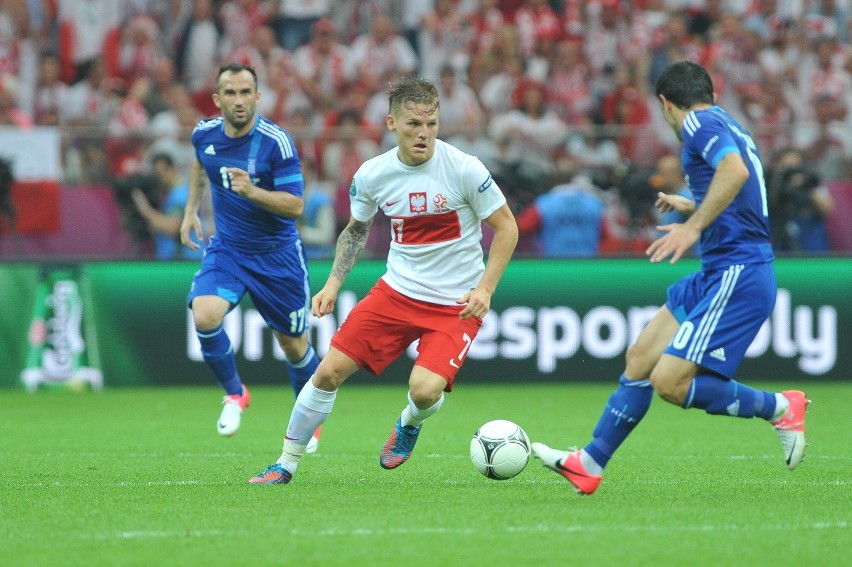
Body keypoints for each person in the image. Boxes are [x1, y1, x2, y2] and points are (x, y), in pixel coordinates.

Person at [531, 61, 810, 495]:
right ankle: (588, 464)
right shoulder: (725, 120)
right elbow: (745, 189)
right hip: (719, 269)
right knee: (641, 357)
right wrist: (689, 205)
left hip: (739, 271)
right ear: (711, 94)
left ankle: (779, 406)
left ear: (665, 103)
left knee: (669, 382)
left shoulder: (698, 122)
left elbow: (734, 173)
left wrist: (693, 226)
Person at [249, 74, 519, 484]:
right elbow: (356, 231)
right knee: (326, 373)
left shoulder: (465, 169)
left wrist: (485, 289)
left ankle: (410, 422)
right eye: (414, 124)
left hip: (455, 303)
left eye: (431, 124)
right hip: (397, 294)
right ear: (391, 124)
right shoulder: (373, 175)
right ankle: (285, 464)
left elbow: (507, 228)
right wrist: (333, 285)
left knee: (425, 391)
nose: (424, 134)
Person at [179, 63, 323, 452]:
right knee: (205, 314)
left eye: (246, 92)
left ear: (258, 97)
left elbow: (295, 207)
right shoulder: (204, 134)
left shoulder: (277, 142)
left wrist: (253, 192)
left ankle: (306, 418)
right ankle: (235, 393)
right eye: (230, 93)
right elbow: (200, 161)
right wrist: (191, 209)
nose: (239, 100)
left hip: (277, 257)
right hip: (228, 249)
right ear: (217, 99)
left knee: (293, 346)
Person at [130, 152, 207, 260]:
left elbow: (172, 227)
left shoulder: (181, 194)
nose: (161, 178)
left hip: (184, 263)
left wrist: (144, 208)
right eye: (156, 174)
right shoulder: (169, 195)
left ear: (172, 169)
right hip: (174, 263)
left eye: (162, 172)